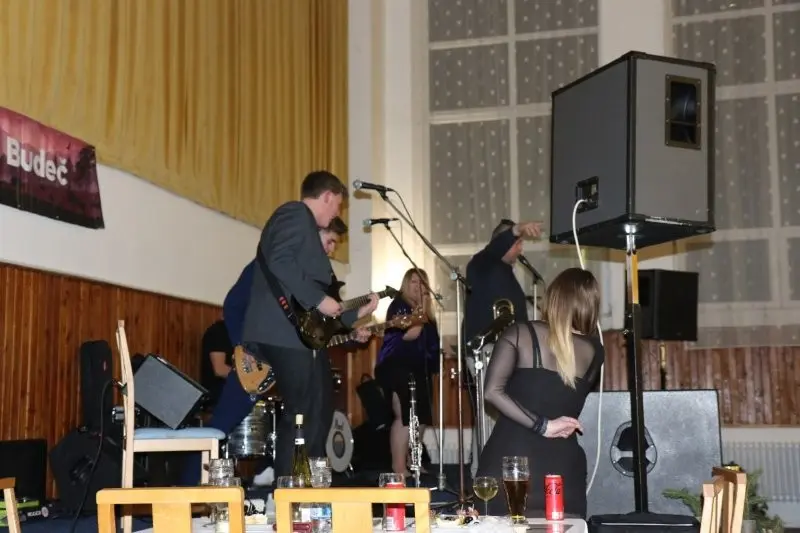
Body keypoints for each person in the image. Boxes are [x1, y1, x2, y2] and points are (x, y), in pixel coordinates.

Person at [179, 207, 356, 486]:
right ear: (313, 235)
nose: (331, 249)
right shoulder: (268, 266)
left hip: (288, 356)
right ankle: (185, 486)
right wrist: (242, 348)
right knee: (224, 422)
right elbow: (233, 304)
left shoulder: (309, 276)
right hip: (256, 358)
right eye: (329, 241)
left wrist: (353, 327)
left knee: (299, 416)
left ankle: (275, 473)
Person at [240, 171, 378, 478]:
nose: (336, 213)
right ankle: (287, 490)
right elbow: (279, 260)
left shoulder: (306, 233)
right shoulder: (295, 213)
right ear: (327, 196)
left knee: (318, 411)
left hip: (298, 336)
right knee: (300, 414)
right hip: (282, 334)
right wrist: (318, 299)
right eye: (338, 205)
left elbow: (319, 313)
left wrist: (357, 312)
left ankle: (307, 485)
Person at [475, 267, 605, 519]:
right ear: (591, 305)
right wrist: (549, 424)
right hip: (562, 468)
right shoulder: (595, 351)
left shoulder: (520, 333)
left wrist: (543, 426)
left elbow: (492, 392)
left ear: (553, 299)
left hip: (511, 462)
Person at [463, 219, 542, 473]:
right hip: (487, 351)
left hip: (506, 353)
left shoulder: (504, 273)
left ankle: (491, 472)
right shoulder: (482, 264)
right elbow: (493, 250)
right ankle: (485, 475)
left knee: (500, 416)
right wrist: (516, 230)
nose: (520, 249)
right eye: (517, 243)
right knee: (491, 416)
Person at [374, 268, 440, 476]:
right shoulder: (399, 306)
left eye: (422, 282)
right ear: (405, 284)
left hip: (420, 369)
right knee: (404, 416)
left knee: (421, 419)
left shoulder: (427, 315)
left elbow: (431, 344)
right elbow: (411, 334)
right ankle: (398, 466)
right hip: (398, 366)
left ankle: (413, 460)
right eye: (414, 281)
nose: (418, 286)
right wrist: (421, 312)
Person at [199, 319, 234, 411]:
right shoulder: (219, 331)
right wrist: (249, 379)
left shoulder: (244, 335)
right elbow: (220, 370)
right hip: (219, 397)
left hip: (236, 393)